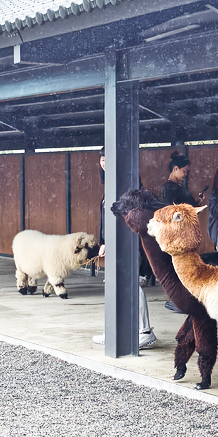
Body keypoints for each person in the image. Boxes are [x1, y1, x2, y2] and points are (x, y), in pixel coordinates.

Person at [92, 147, 157, 350]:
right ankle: (115, 329)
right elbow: (107, 219)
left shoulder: (127, 186)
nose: (104, 162)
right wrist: (104, 242)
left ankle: (145, 331)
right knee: (115, 284)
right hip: (115, 243)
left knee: (130, 284)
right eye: (102, 159)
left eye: (107, 158)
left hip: (129, 242)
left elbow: (131, 217)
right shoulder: (110, 185)